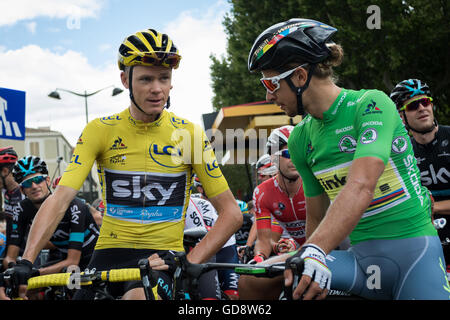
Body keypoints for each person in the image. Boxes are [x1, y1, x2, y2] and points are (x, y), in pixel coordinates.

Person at [2, 28, 242, 300]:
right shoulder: (99, 130)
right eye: (146, 79)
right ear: (125, 80)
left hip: (160, 258)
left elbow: (231, 214)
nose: (157, 89)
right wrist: (27, 260)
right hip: (108, 255)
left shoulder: (190, 135)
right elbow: (59, 199)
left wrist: (187, 260)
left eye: (164, 78)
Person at [247, 18, 449, 300]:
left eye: (271, 82)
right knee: (252, 283)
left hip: (414, 254)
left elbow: (362, 185)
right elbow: (315, 218)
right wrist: (308, 257)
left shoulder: (371, 103)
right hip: (359, 262)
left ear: (300, 77)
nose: (268, 95)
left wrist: (314, 250)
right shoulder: (299, 138)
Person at [1, 156, 99, 282]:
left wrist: (34, 273)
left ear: (47, 180)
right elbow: (9, 257)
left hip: (91, 258)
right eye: (27, 183)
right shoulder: (21, 209)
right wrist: (15, 269)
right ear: (22, 189)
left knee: (75, 291)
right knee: (26, 289)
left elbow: (72, 261)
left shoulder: (74, 205)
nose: (34, 186)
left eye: (37, 179)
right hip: (64, 259)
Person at [238, 126, 307, 299]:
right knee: (247, 281)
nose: (295, 159)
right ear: (274, 158)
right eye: (288, 154)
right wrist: (259, 257)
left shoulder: (313, 180)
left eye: (299, 152)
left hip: (331, 248)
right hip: (300, 253)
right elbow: (263, 240)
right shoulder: (262, 193)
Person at [390, 79, 450, 276]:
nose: (422, 108)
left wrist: (433, 207)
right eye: (413, 105)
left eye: (426, 102)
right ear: (402, 116)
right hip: (423, 230)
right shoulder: (400, 151)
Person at [190, 176, 240, 300]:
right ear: (200, 188)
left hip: (225, 249)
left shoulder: (228, 201)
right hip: (202, 250)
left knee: (233, 295)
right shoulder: (197, 202)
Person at [0, 147, 25, 269]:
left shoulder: (25, 191)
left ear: (5, 171)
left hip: (26, 252)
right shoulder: (5, 191)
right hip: (10, 252)